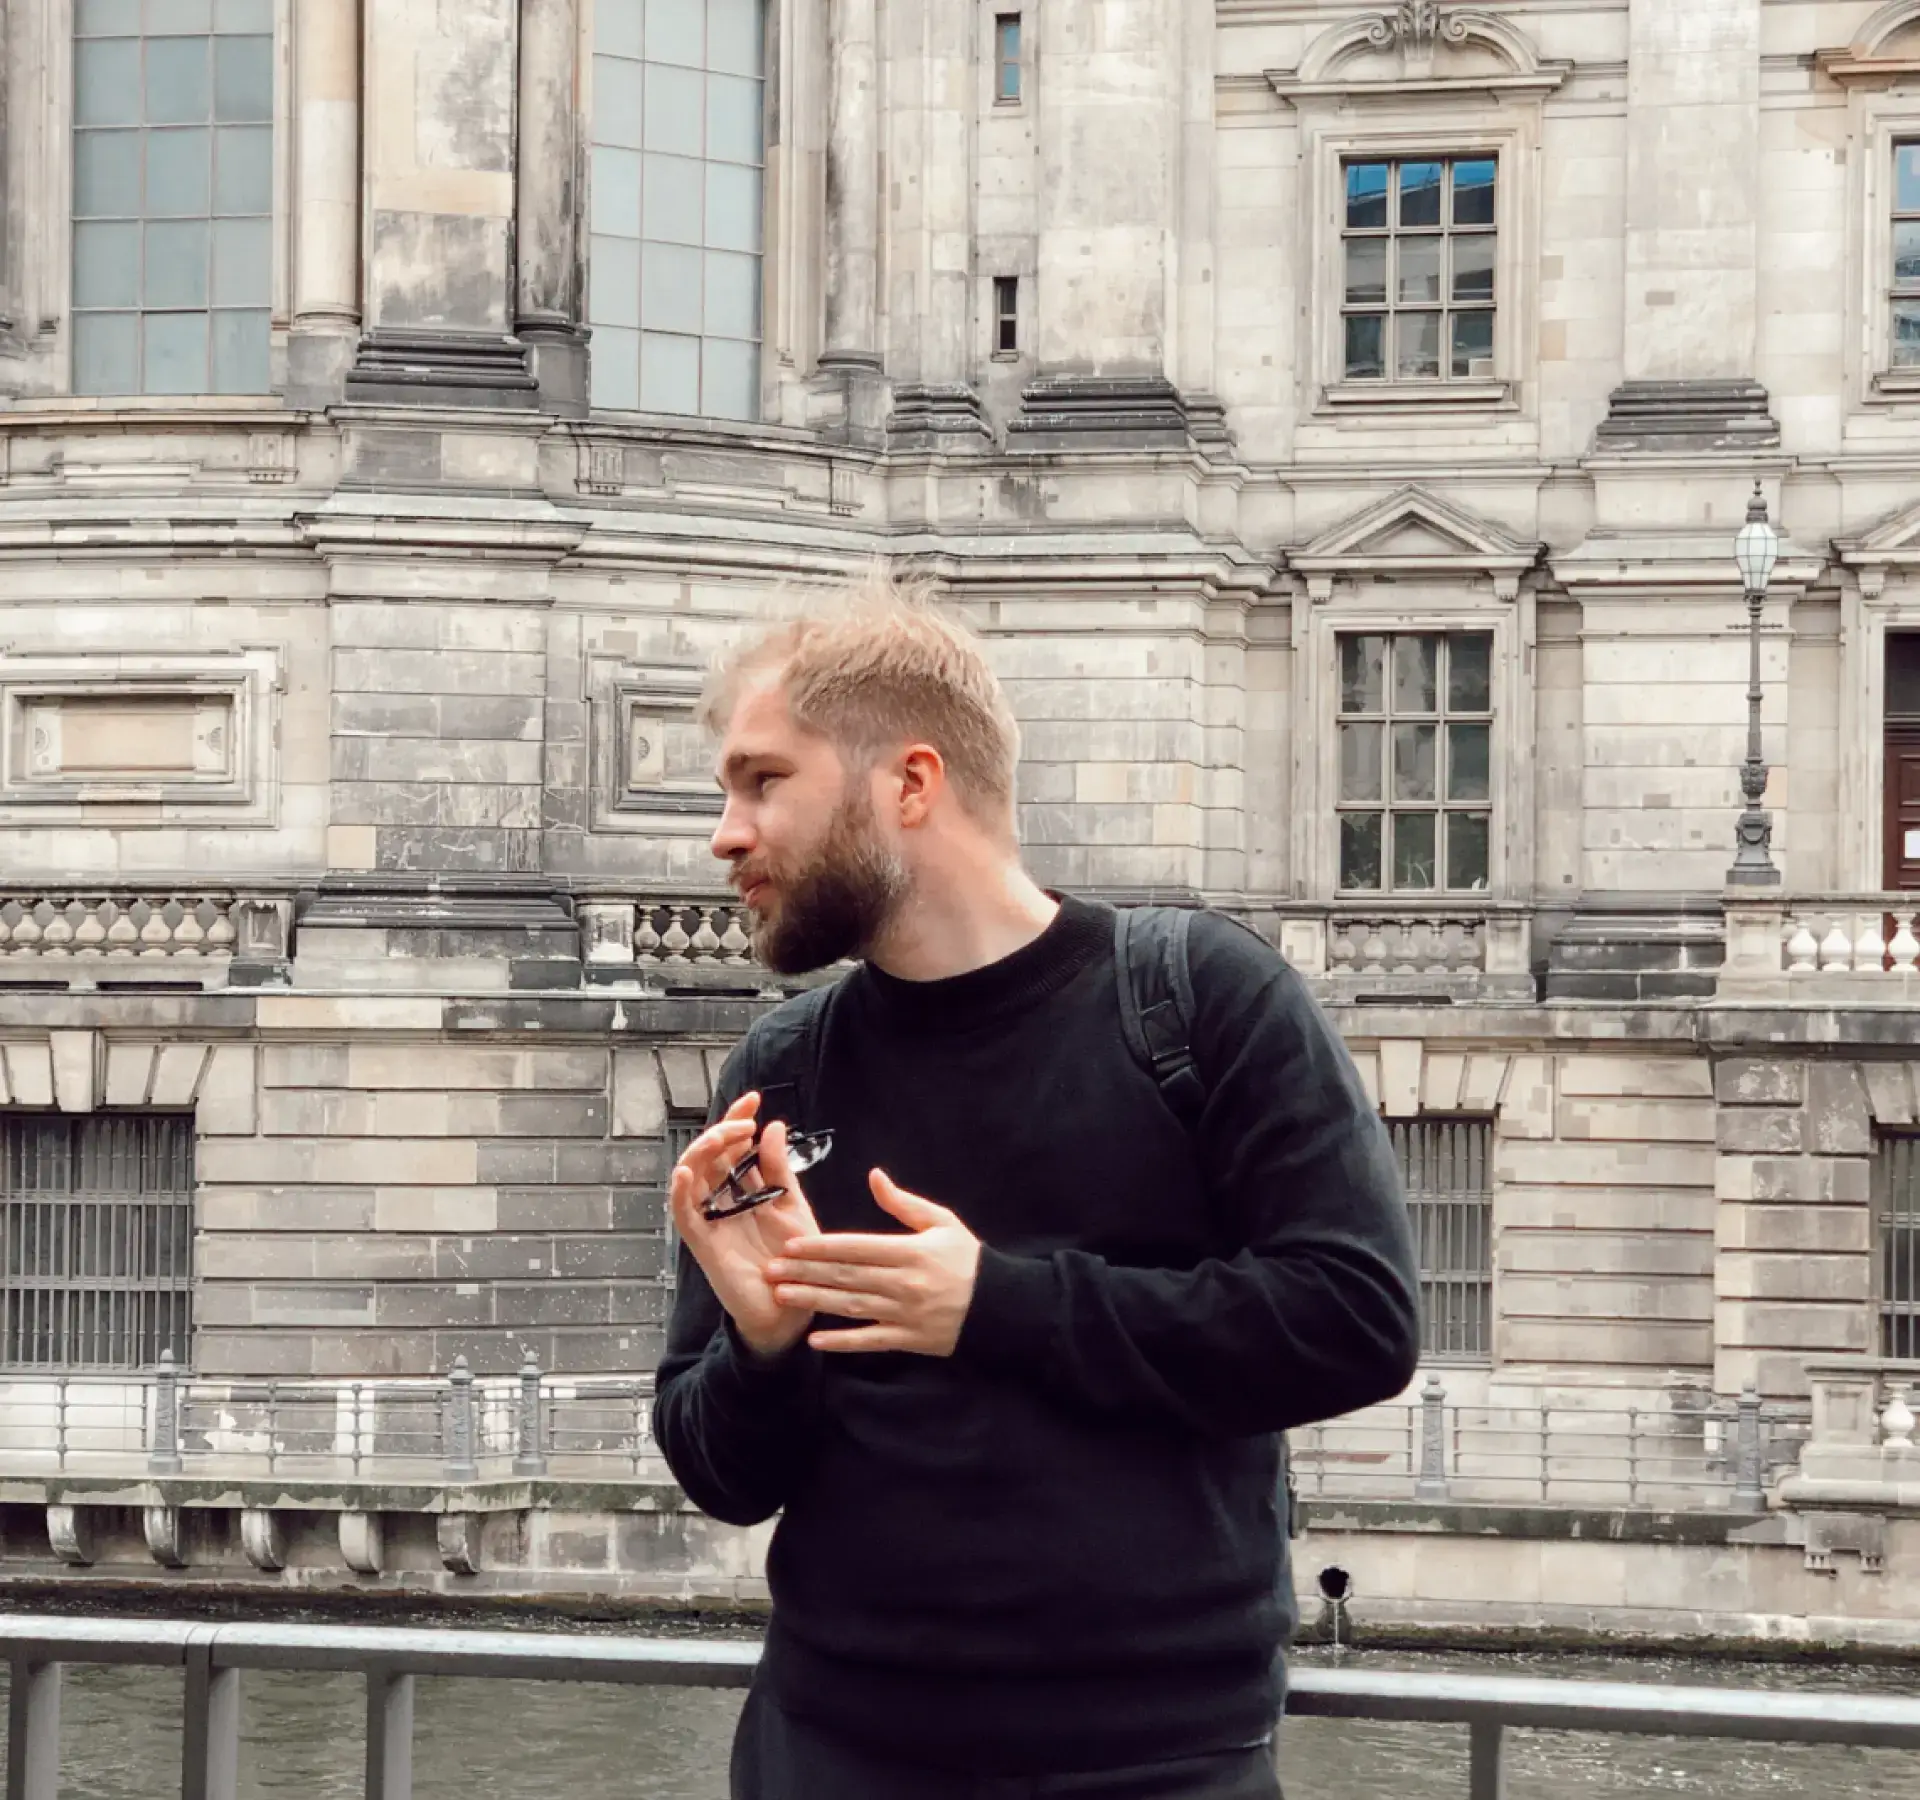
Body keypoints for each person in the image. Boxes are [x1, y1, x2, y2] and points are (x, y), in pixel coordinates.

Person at [653, 571, 1421, 1800]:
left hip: (1155, 1763)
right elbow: (720, 1476)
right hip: (831, 1751)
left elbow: (1356, 1322)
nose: (725, 833)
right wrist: (764, 1343)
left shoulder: (1202, 1001)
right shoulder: (781, 1067)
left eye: (763, 781)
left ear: (909, 784)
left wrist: (995, 1306)